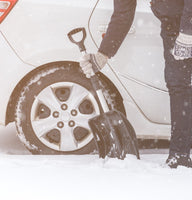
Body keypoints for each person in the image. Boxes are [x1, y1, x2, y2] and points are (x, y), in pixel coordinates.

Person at [79, 0, 192, 168]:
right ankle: (180, 156)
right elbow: (123, 13)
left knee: (179, 85)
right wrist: (103, 55)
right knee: (178, 85)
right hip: (173, 25)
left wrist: (188, 30)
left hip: (184, 22)